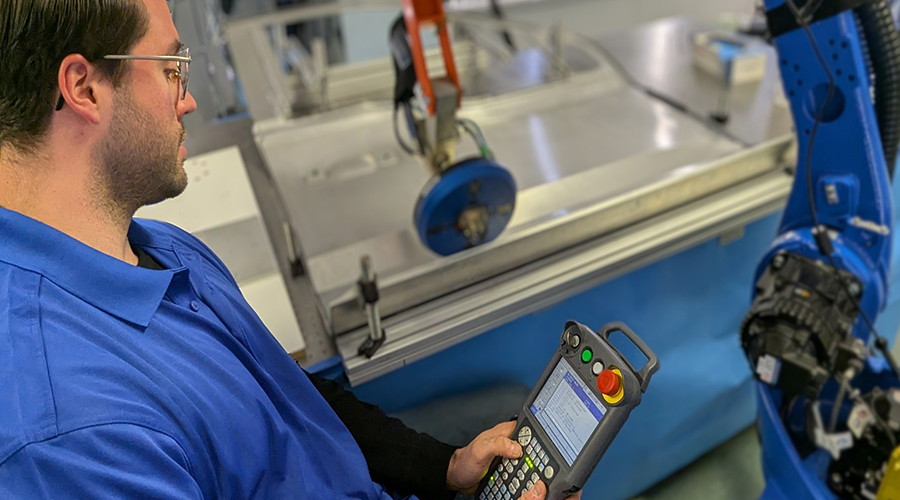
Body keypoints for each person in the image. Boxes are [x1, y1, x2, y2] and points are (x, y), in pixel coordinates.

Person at [0, 1, 584, 499]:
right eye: (173, 67)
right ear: (83, 88)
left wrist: (440, 468)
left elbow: (288, 396)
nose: (189, 99)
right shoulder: (68, 435)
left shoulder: (161, 250)